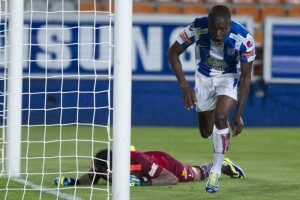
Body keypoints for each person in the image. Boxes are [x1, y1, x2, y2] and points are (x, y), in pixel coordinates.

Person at [167, 5, 255, 193]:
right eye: (214, 27)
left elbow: (246, 77)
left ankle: (215, 171)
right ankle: (224, 160)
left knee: (221, 118)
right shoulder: (198, 27)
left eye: (222, 28)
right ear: (209, 23)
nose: (217, 33)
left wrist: (239, 113)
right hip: (204, 79)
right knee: (206, 132)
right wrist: (184, 86)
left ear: (230, 25)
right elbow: (172, 53)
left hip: (229, 77)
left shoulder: (244, 39)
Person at [54, 149, 245, 187]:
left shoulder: (140, 161)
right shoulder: (101, 163)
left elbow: (171, 179)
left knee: (194, 174)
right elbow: (92, 177)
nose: (105, 176)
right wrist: (75, 182)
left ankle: (223, 167)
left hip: (165, 164)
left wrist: (141, 181)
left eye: (106, 173)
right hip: (147, 163)